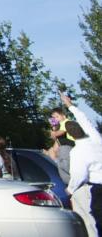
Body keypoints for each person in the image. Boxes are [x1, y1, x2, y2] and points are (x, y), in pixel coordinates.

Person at [62, 93, 102, 237]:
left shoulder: (78, 152)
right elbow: (85, 121)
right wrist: (70, 106)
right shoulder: (95, 138)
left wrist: (70, 189)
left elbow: (79, 175)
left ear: (71, 136)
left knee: (97, 222)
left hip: (98, 188)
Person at [51, 106, 76, 183]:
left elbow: (60, 133)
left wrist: (54, 133)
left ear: (63, 116)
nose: (56, 119)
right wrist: (54, 127)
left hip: (72, 141)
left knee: (56, 146)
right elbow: (55, 137)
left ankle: (56, 160)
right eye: (54, 117)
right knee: (54, 148)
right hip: (68, 142)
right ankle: (56, 160)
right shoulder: (60, 124)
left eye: (57, 116)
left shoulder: (66, 122)